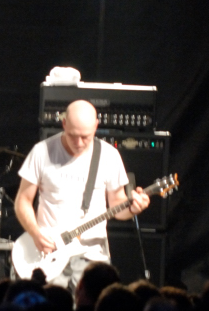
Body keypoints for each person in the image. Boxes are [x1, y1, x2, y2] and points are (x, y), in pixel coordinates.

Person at [14, 100, 150, 289]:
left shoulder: (109, 156)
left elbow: (117, 205)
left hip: (92, 257)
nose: (78, 143)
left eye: (85, 137)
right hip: (50, 253)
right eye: (72, 135)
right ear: (63, 124)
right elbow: (23, 200)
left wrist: (134, 208)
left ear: (96, 126)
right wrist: (35, 234)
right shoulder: (42, 152)